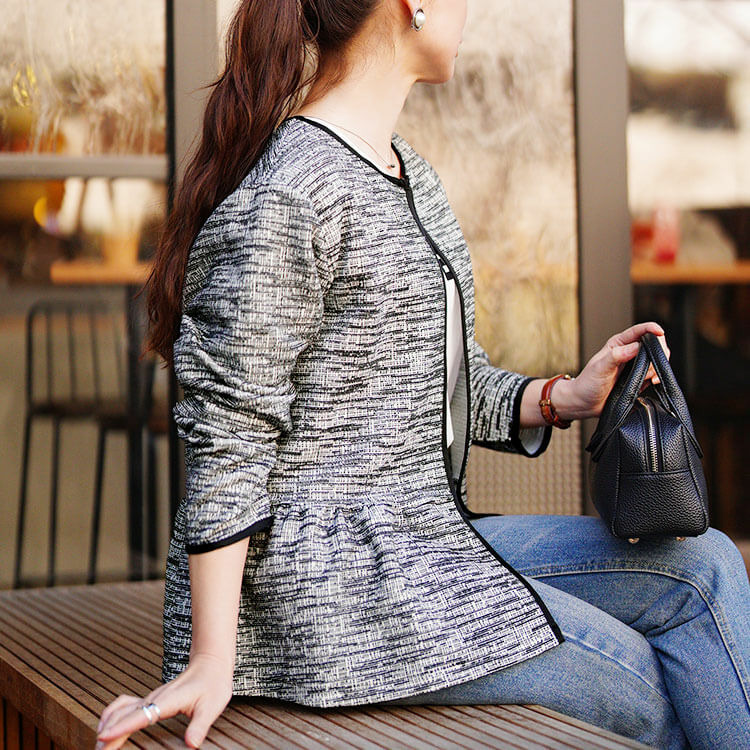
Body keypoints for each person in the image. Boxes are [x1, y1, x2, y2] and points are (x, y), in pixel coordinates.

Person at [95, 1, 750, 748]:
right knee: (650, 689)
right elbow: (228, 434)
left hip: (427, 543)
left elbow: (439, 388)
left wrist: (564, 396)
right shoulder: (291, 190)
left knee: (707, 565)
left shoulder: (408, 175)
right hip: (334, 595)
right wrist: (212, 657)